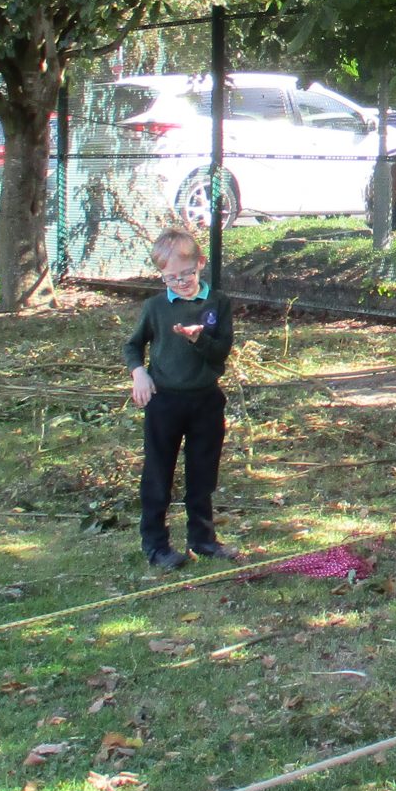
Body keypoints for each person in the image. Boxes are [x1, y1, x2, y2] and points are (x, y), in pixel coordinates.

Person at [124, 227, 238, 571]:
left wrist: (198, 340)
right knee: (159, 472)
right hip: (165, 402)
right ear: (161, 276)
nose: (180, 282)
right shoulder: (156, 307)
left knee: (203, 473)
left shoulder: (217, 303)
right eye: (170, 278)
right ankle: (156, 545)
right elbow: (133, 345)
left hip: (205, 400)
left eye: (186, 274)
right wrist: (139, 373)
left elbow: (220, 354)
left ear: (200, 264)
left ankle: (202, 539)